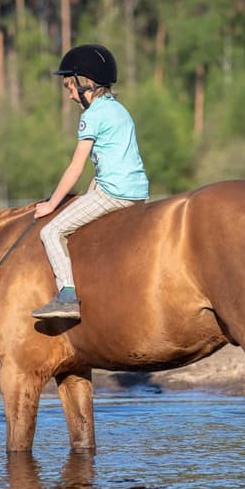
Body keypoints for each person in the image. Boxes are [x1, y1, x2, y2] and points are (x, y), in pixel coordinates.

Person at [31, 44, 149, 320]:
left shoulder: (92, 115)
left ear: (87, 84)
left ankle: (67, 296)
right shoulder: (119, 109)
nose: (71, 95)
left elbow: (75, 167)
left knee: (50, 232)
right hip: (138, 192)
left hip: (114, 194)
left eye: (71, 87)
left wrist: (51, 205)